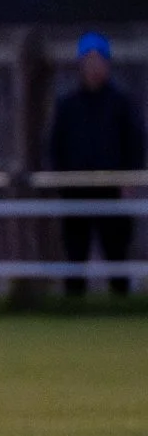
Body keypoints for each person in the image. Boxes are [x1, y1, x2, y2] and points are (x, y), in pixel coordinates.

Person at [48, 32, 143, 297]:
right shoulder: (68, 105)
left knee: (116, 249)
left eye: (98, 60)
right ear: (80, 64)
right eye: (88, 60)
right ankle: (73, 304)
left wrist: (129, 179)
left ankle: (121, 302)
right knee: (75, 251)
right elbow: (55, 146)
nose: (93, 66)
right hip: (75, 190)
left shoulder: (120, 103)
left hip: (111, 190)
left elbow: (135, 144)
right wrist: (60, 181)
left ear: (107, 63)